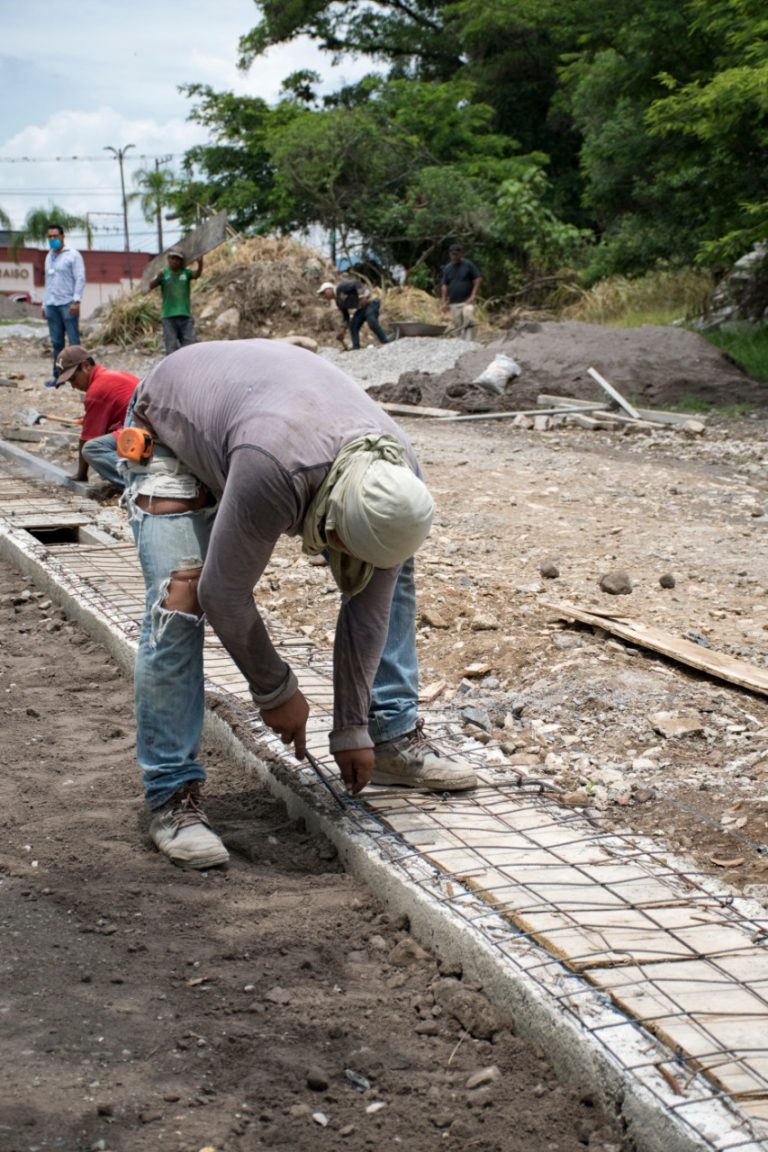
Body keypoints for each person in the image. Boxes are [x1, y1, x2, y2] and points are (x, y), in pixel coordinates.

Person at [120, 340, 476, 870]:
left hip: (255, 420)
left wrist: (352, 729)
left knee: (391, 573)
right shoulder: (275, 472)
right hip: (174, 427)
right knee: (183, 595)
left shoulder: (397, 477)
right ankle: (173, 795)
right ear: (329, 522)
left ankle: (390, 735)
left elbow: (368, 607)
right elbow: (225, 594)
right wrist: (275, 690)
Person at [54, 345, 139, 490]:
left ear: (86, 366)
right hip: (148, 430)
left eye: (73, 379)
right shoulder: (109, 375)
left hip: (143, 434)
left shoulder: (96, 390)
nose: (73, 386)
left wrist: (81, 475)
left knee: (92, 450)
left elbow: (86, 439)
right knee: (104, 446)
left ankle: (139, 483)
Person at [43, 223, 86, 387]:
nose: (52, 239)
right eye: (50, 237)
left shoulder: (73, 255)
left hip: (68, 304)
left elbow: (80, 278)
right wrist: (44, 304)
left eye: (55, 236)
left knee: (74, 342)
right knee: (56, 343)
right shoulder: (49, 257)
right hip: (52, 305)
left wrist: (76, 300)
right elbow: (48, 282)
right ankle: (58, 377)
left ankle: (80, 377)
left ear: (62, 237)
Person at [148, 249, 203, 355]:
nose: (175, 261)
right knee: (171, 348)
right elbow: (151, 286)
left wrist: (200, 264)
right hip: (169, 317)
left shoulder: (185, 273)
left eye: (178, 259)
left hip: (185, 317)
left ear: (181, 261)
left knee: (190, 348)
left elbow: (197, 274)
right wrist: (158, 277)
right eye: (173, 258)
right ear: (168, 259)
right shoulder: (164, 274)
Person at [317, 279, 390, 350]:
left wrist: (361, 296)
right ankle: (356, 347)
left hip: (371, 301)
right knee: (353, 325)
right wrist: (343, 330)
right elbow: (346, 316)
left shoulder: (341, 287)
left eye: (324, 292)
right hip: (362, 308)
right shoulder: (339, 302)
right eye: (322, 294)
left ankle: (385, 341)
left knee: (371, 319)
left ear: (329, 288)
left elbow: (356, 283)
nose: (324, 296)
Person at [439, 243, 482, 340]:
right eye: (452, 254)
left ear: (461, 254)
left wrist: (473, 295)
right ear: (450, 254)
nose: (454, 256)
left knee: (468, 317)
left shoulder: (468, 265)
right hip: (454, 302)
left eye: (456, 254)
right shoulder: (447, 268)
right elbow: (444, 285)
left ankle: (469, 342)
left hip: (467, 300)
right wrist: (443, 301)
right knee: (457, 324)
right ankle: (460, 342)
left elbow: (478, 278)